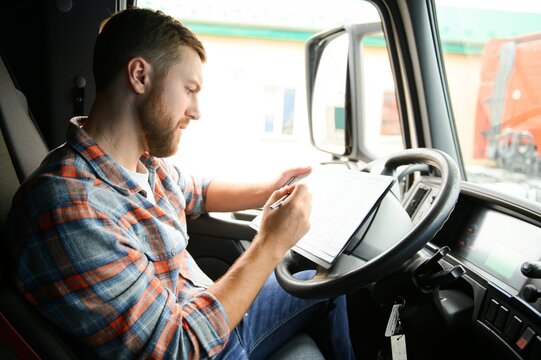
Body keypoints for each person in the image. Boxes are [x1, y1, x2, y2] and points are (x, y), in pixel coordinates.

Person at [7, 6, 355, 359]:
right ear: (140, 76)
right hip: (201, 343)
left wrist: (270, 188)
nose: (196, 110)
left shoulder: (143, 163)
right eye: (189, 89)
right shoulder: (71, 209)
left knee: (325, 282)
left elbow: (197, 191)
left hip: (211, 314)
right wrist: (271, 243)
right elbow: (177, 347)